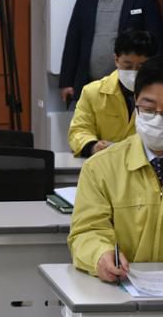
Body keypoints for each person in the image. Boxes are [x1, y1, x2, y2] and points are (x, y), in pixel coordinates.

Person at [69, 54, 163, 283]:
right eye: (149, 108)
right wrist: (100, 255)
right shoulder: (101, 168)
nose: (158, 120)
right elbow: (87, 231)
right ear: (136, 103)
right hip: (125, 290)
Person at [59, 0, 163, 103]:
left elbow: (157, 42)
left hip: (130, 86)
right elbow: (73, 39)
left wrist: (155, 82)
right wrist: (66, 81)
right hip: (90, 85)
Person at [68, 29, 158, 157]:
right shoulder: (92, 92)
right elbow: (79, 130)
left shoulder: (159, 94)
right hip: (105, 162)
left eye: (141, 67)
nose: (134, 72)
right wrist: (93, 146)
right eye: (127, 66)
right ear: (116, 59)